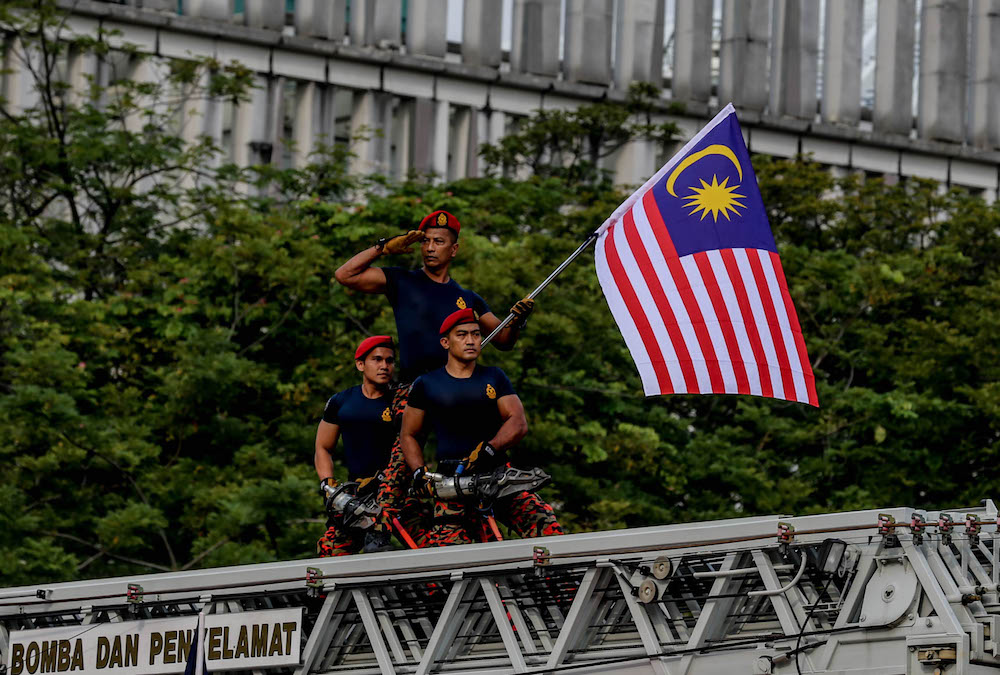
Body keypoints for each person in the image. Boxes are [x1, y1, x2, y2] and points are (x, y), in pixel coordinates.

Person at [333, 210, 535, 549]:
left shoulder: (466, 298)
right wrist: (383, 247)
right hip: (414, 387)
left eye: (438, 242)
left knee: (475, 454)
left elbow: (502, 340)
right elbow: (345, 275)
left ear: (453, 249)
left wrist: (516, 320)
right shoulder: (403, 280)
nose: (429, 248)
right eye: (425, 241)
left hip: (456, 388)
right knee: (400, 460)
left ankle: (476, 518)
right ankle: (378, 528)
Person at [399, 308, 563, 546]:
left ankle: (561, 583)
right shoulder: (426, 384)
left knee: (546, 528)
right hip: (451, 482)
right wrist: (418, 471)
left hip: (498, 476)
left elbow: (517, 421)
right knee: (449, 557)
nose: (470, 340)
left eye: (476, 334)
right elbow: (409, 434)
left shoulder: (494, 377)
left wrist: (489, 449)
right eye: (462, 335)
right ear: (446, 342)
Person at [315, 336, 427, 555]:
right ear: (360, 364)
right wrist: (328, 486)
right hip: (358, 496)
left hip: (399, 493)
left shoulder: (402, 400)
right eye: (377, 360)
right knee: (330, 554)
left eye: (389, 361)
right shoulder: (341, 401)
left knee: (431, 553)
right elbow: (323, 447)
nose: (384, 366)